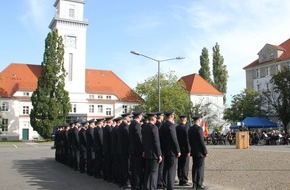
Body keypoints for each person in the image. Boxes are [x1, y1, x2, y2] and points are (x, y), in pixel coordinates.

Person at [159, 109, 181, 190]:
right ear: (171, 116)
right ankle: (170, 187)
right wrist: (178, 150)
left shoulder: (162, 125)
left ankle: (165, 184)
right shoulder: (171, 126)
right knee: (171, 170)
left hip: (165, 150)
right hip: (172, 151)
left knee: (166, 168)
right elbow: (174, 139)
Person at [142, 112, 162, 190]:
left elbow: (143, 141)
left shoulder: (145, 127)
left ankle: (146, 187)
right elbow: (156, 142)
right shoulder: (154, 128)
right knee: (154, 174)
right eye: (156, 118)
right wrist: (159, 154)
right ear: (153, 119)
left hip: (147, 153)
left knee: (147, 172)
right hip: (154, 154)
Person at [188, 114, 208, 190]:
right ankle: (199, 184)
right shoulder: (199, 129)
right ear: (199, 120)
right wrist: (205, 151)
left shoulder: (190, 129)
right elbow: (201, 141)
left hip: (194, 151)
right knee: (200, 168)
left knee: (194, 167)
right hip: (200, 152)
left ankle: (194, 184)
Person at [128, 110, 144, 190]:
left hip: (132, 150)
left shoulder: (131, 124)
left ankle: (134, 186)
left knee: (134, 169)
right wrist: (142, 150)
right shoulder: (137, 125)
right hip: (137, 151)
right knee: (137, 170)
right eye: (141, 115)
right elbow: (139, 138)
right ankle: (137, 186)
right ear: (139, 116)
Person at [176, 114, 190, 186]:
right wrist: (189, 150)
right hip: (185, 149)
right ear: (185, 119)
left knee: (180, 164)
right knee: (185, 165)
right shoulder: (186, 128)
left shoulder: (176, 128)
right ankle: (184, 180)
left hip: (178, 148)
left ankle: (180, 178)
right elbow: (187, 140)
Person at [117, 113, 131, 189]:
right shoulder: (125, 127)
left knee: (122, 167)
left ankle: (122, 182)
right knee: (126, 167)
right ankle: (126, 182)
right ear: (126, 118)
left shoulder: (120, 126)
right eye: (129, 117)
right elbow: (129, 139)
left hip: (121, 150)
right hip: (125, 150)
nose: (130, 118)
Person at [155, 112, 165, 189]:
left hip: (156, 148)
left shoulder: (155, 125)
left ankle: (158, 181)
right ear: (160, 117)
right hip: (161, 148)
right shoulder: (160, 125)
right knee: (161, 167)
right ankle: (159, 182)